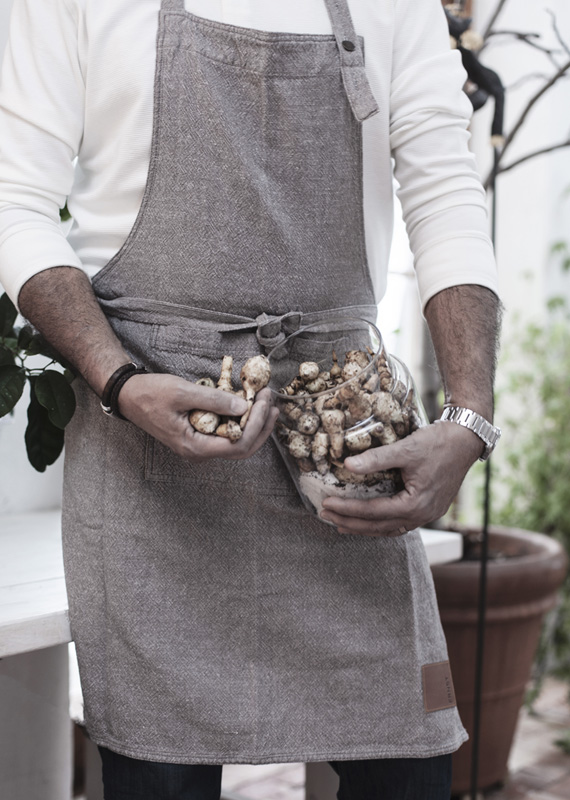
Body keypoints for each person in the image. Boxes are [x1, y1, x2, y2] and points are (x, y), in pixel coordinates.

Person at [0, 0, 501, 798]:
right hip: (149, 461)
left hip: (342, 444)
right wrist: (119, 381)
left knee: (411, 770)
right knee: (159, 781)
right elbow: (12, 197)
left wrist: (469, 419)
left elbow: (446, 195)